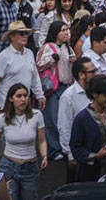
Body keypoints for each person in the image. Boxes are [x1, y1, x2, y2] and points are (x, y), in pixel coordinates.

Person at [0, 84, 46, 200]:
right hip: (9, 166)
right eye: (19, 96)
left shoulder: (37, 115)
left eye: (25, 96)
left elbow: (42, 140)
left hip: (31, 167)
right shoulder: (3, 118)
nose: (23, 99)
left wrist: (44, 156)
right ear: (11, 98)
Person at [69, 75, 106, 182]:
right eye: (105, 95)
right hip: (90, 174)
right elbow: (76, 148)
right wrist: (95, 156)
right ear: (94, 94)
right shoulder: (81, 119)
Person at [35, 20, 75, 160]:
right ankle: (53, 149)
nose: (66, 33)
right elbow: (38, 65)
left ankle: (64, 146)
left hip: (65, 86)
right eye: (63, 30)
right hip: (52, 88)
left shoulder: (68, 48)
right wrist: (52, 59)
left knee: (63, 118)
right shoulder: (47, 47)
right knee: (51, 118)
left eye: (67, 30)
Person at [0, 21, 45, 119]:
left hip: (25, 104)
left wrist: (40, 95)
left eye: (26, 33)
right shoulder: (3, 56)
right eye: (21, 33)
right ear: (12, 37)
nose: (25, 36)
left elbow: (34, 76)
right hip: (7, 105)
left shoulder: (30, 53)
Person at [58, 57, 96, 182]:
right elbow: (64, 126)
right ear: (81, 75)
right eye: (92, 72)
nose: (96, 74)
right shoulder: (68, 97)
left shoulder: (95, 92)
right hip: (77, 152)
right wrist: (70, 155)